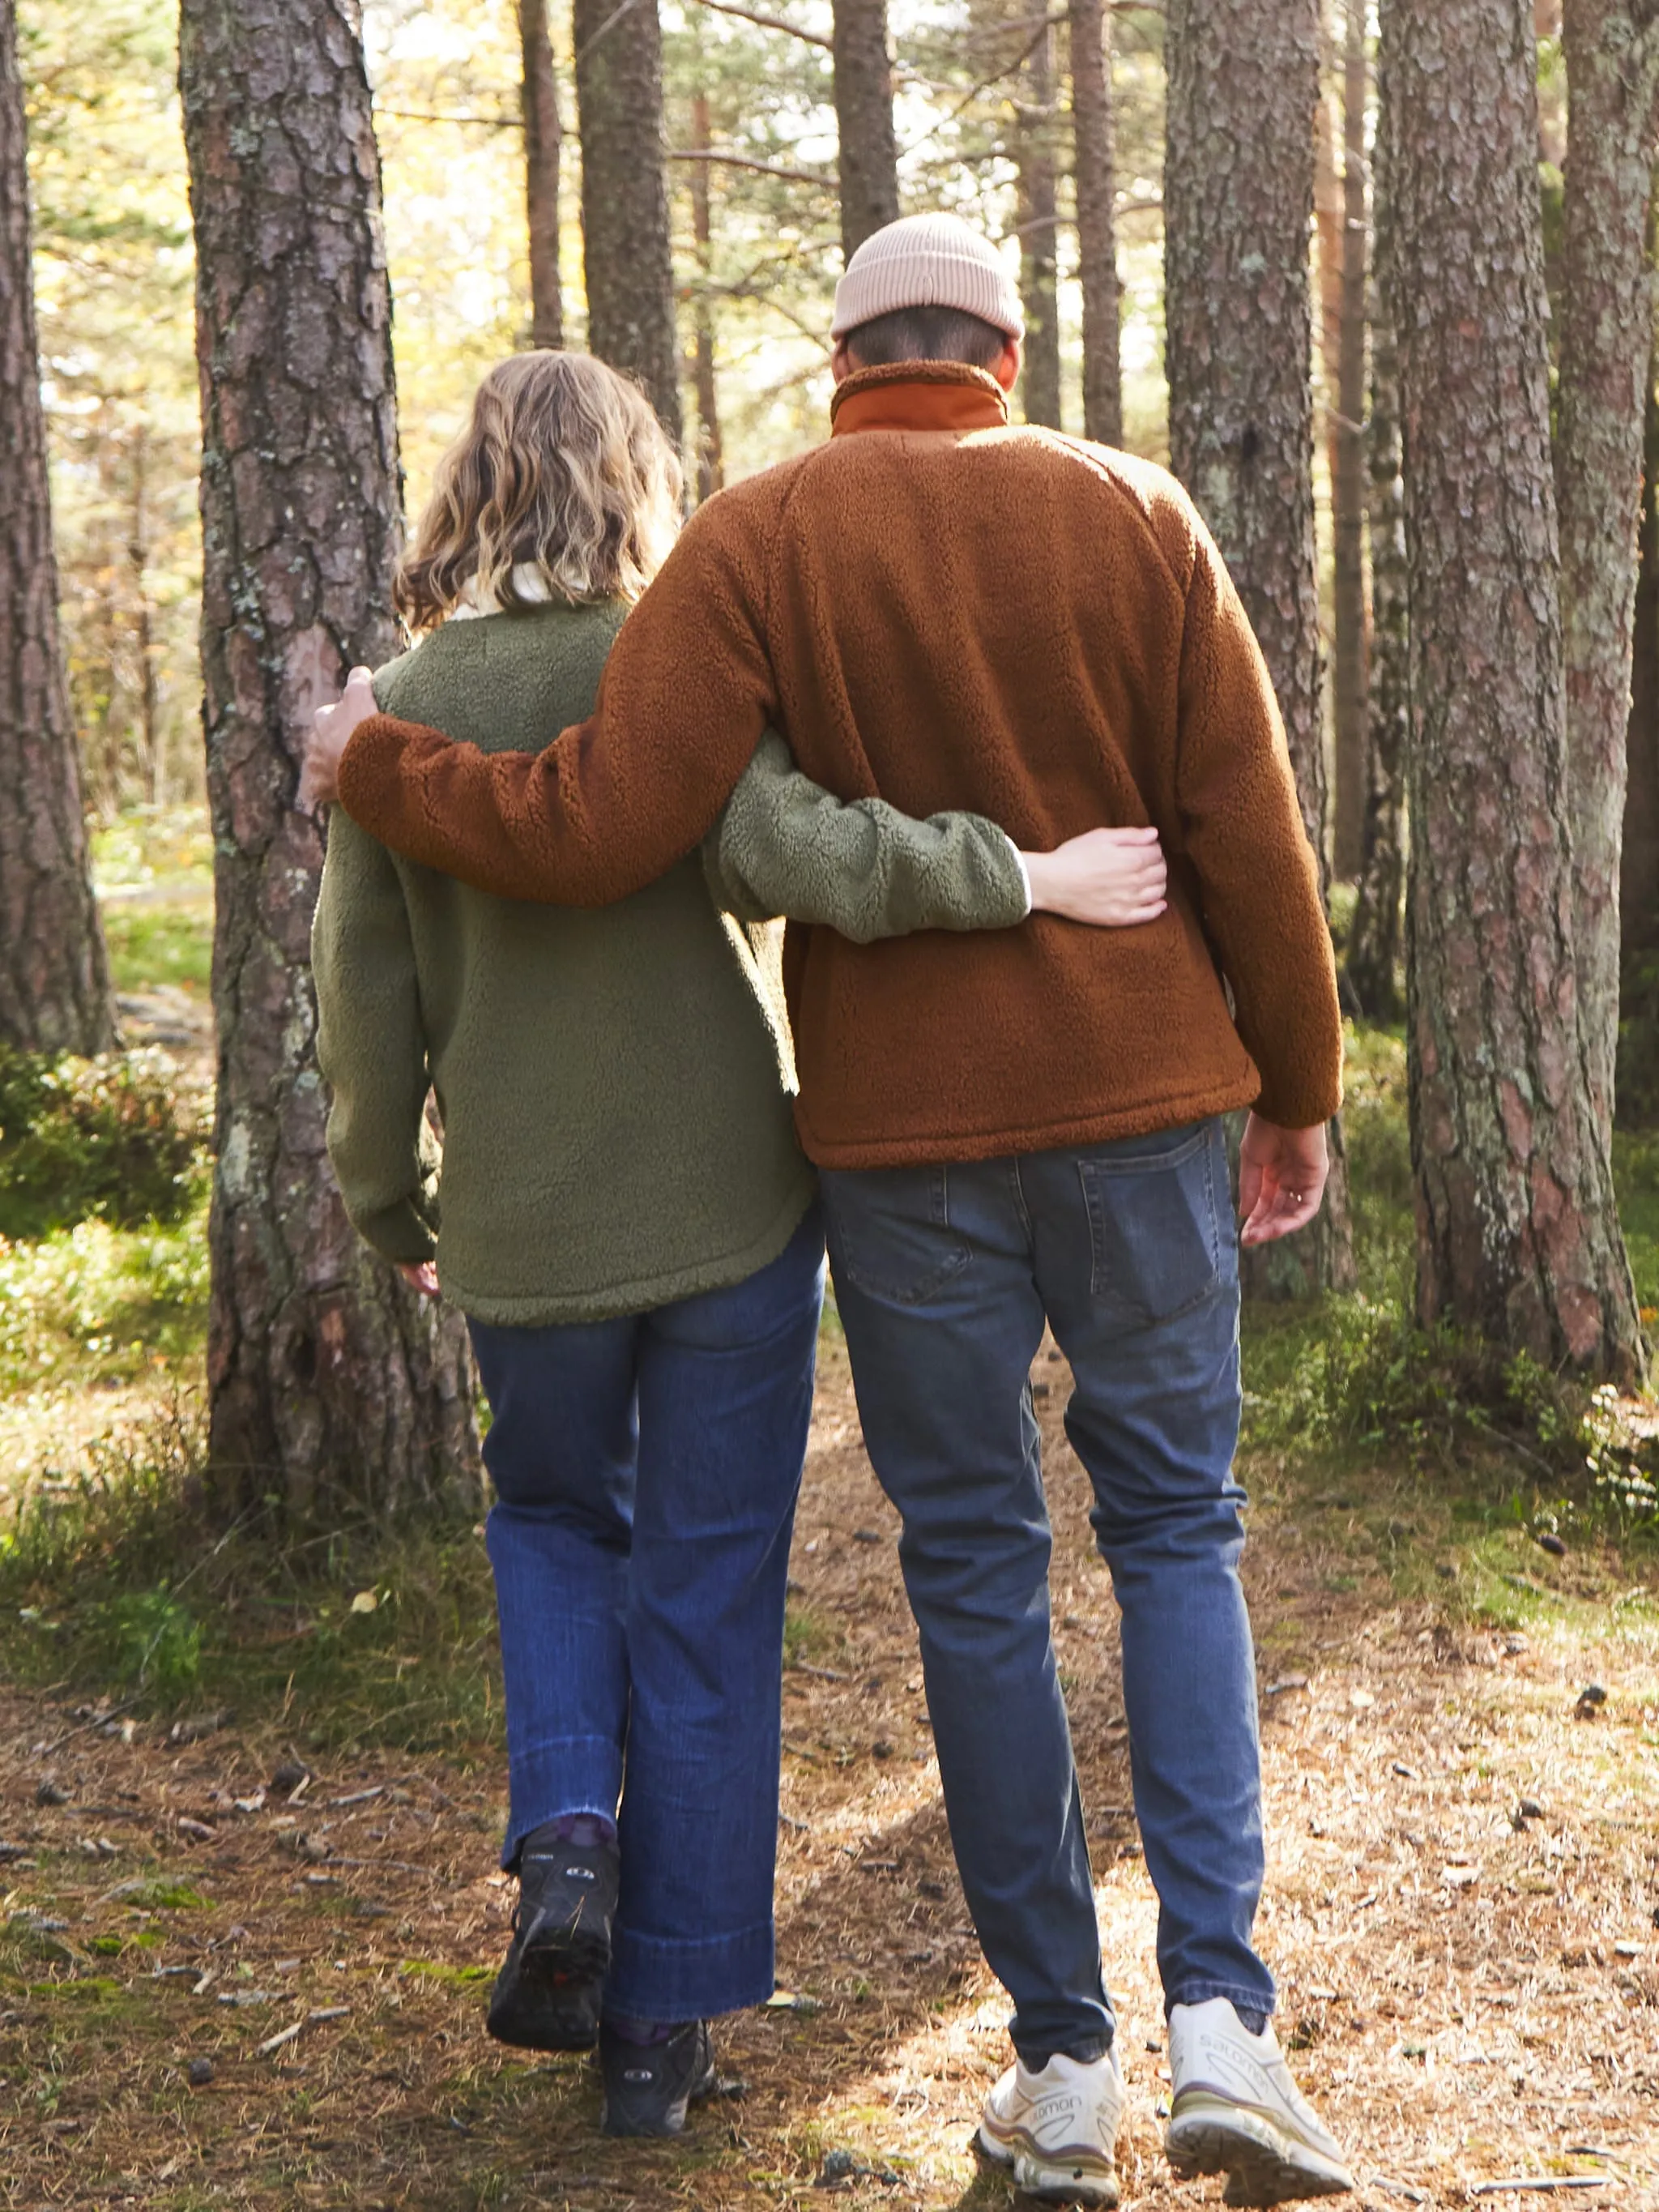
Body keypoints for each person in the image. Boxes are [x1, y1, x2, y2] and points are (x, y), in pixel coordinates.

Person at [303, 215, 1354, 2208]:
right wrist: (1293, 1090)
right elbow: (1246, 824)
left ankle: (1059, 2070)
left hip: (897, 1147)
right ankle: (1223, 2023)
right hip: (1142, 1108)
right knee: (1178, 1535)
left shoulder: (761, 542)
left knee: (973, 1571)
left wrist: (377, 761)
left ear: (844, 353)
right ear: (1008, 349)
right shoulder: (1131, 510)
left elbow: (605, 821)